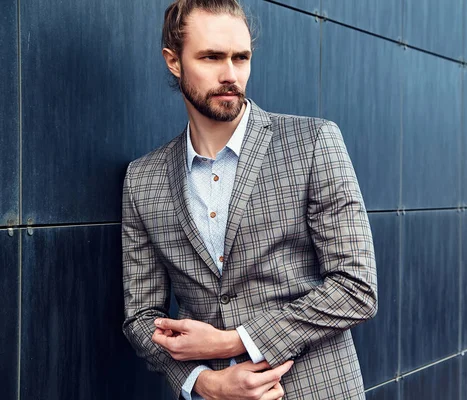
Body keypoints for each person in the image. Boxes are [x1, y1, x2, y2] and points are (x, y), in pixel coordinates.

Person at [121, 0, 377, 399]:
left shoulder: (313, 143)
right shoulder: (142, 179)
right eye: (211, 57)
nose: (230, 74)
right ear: (174, 61)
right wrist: (203, 383)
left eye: (241, 58)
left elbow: (356, 288)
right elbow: (141, 318)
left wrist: (232, 341)